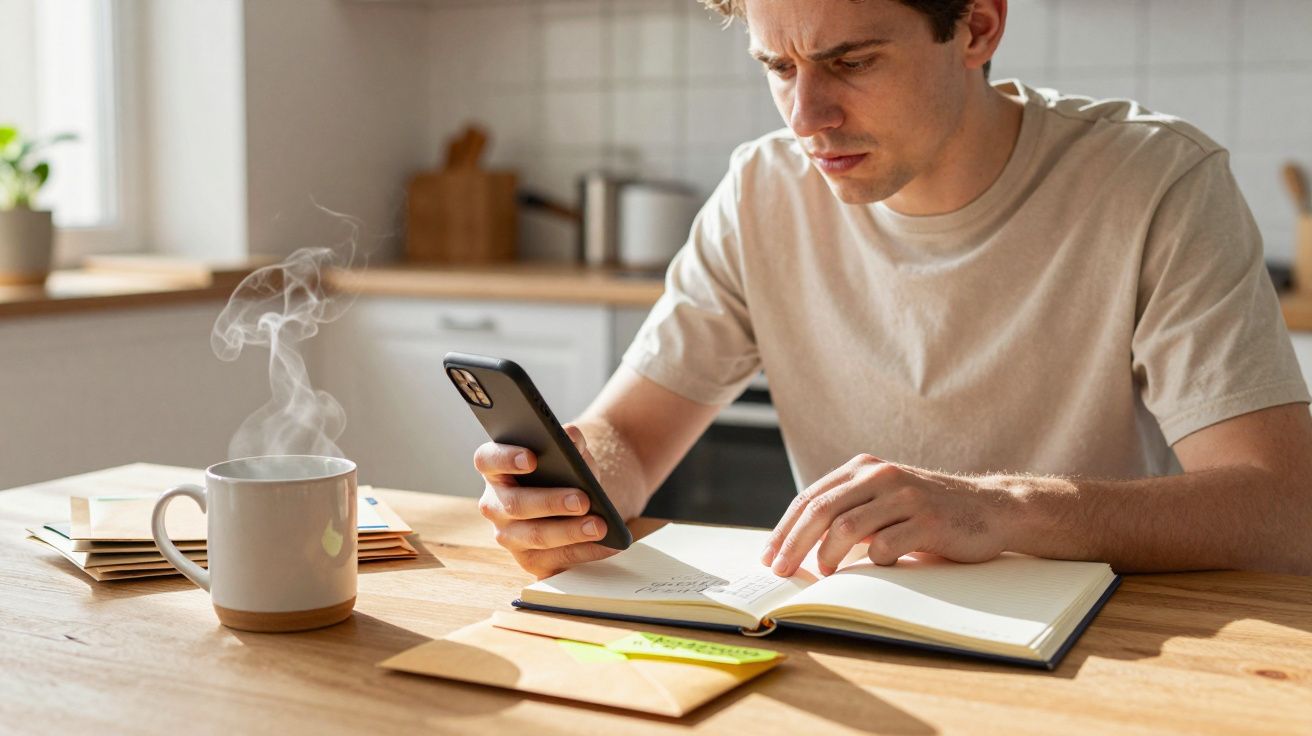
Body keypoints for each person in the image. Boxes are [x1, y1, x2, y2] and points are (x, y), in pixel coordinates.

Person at [473, 0, 1312, 579]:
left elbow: (1282, 512)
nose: (806, 116)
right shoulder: (760, 191)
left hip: (1109, 643)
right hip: (858, 633)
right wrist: (574, 487)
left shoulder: (1156, 181)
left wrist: (1006, 510)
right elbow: (628, 433)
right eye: (779, 66)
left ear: (978, 27)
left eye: (851, 61)